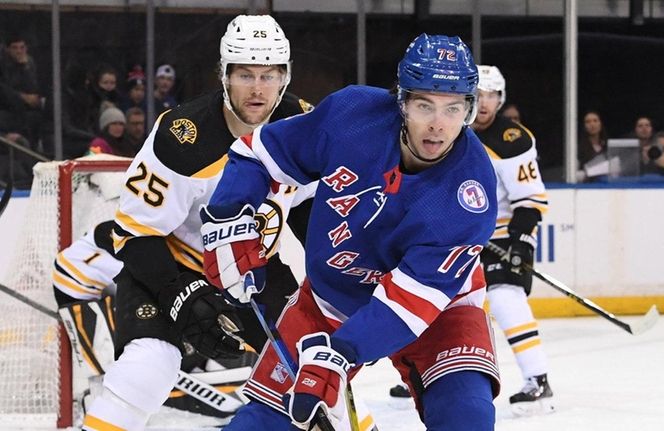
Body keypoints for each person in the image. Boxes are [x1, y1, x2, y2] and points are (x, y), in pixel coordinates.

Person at [201, 33, 499, 431]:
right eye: (424, 105)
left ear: (469, 110)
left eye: (453, 109)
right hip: (330, 301)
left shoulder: (470, 192)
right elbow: (258, 154)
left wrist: (339, 354)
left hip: (439, 312)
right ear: (402, 102)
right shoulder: (352, 115)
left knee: (467, 415)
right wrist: (228, 217)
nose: (437, 125)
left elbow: (409, 306)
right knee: (258, 426)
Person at [79, 15, 316, 431]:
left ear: (285, 76)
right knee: (149, 365)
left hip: (250, 266)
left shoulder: (301, 124)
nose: (258, 89)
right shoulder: (181, 135)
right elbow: (134, 233)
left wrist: (338, 268)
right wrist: (180, 293)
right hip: (170, 264)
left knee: (313, 369)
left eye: (268, 75)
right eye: (244, 74)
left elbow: (309, 209)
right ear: (224, 75)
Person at [471, 65, 553, 415]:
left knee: (505, 297)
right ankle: (427, 371)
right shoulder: (450, 132)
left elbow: (531, 199)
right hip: (461, 233)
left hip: (505, 231)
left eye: (491, 95)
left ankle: (538, 378)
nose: (484, 102)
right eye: (478, 95)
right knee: (439, 302)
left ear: (501, 99)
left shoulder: (513, 139)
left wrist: (518, 241)